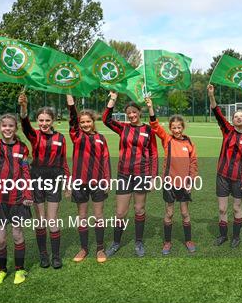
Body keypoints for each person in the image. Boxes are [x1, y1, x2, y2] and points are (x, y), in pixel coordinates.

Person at [0, 85, 33, 285]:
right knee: (0, 239)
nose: (7, 129)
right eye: (4, 126)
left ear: (15, 128)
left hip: (18, 200)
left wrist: (28, 195)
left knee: (18, 236)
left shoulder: (23, 148)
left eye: (11, 126)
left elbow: (26, 173)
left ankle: (20, 270)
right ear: (0, 128)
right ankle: (1, 270)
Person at [103, 91, 158, 257]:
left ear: (139, 112)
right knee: (120, 212)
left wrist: (154, 177)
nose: (132, 115)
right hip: (124, 174)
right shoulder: (123, 128)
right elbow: (105, 119)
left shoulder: (148, 130)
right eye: (129, 113)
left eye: (134, 112)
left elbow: (154, 154)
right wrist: (112, 98)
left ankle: (139, 242)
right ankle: (116, 242)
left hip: (142, 174)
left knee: (139, 209)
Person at [18, 92, 69, 269]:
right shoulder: (34, 136)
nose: (44, 124)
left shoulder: (60, 138)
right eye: (41, 120)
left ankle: (56, 256)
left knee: (52, 219)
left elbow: (63, 162)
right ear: (37, 121)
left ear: (53, 120)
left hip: (54, 180)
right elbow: (24, 124)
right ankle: (43, 255)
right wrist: (24, 107)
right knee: (40, 220)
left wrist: (68, 183)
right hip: (37, 178)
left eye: (47, 120)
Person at [146, 98, 198, 255]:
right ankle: (167, 242)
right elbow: (155, 126)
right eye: (174, 127)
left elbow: (193, 162)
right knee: (169, 213)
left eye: (179, 127)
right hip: (169, 183)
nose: (176, 130)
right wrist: (150, 107)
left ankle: (188, 240)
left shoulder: (189, 142)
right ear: (170, 128)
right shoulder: (167, 139)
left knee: (184, 213)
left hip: (184, 184)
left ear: (183, 127)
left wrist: (191, 180)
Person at [208, 84, 242, 248]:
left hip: (238, 179)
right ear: (233, 120)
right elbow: (216, 112)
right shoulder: (227, 130)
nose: (239, 118)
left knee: (236, 208)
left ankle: (236, 236)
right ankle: (223, 236)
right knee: (222, 209)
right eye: (236, 116)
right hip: (222, 176)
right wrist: (211, 95)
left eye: (241, 116)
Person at [66, 95, 111, 263]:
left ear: (93, 121)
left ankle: (100, 249)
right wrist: (71, 102)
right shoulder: (77, 136)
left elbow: (106, 159)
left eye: (88, 121)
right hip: (79, 182)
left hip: (98, 182)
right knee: (82, 216)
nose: (85, 124)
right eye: (82, 122)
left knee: (99, 215)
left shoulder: (101, 138)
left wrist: (107, 180)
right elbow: (72, 119)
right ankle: (84, 248)